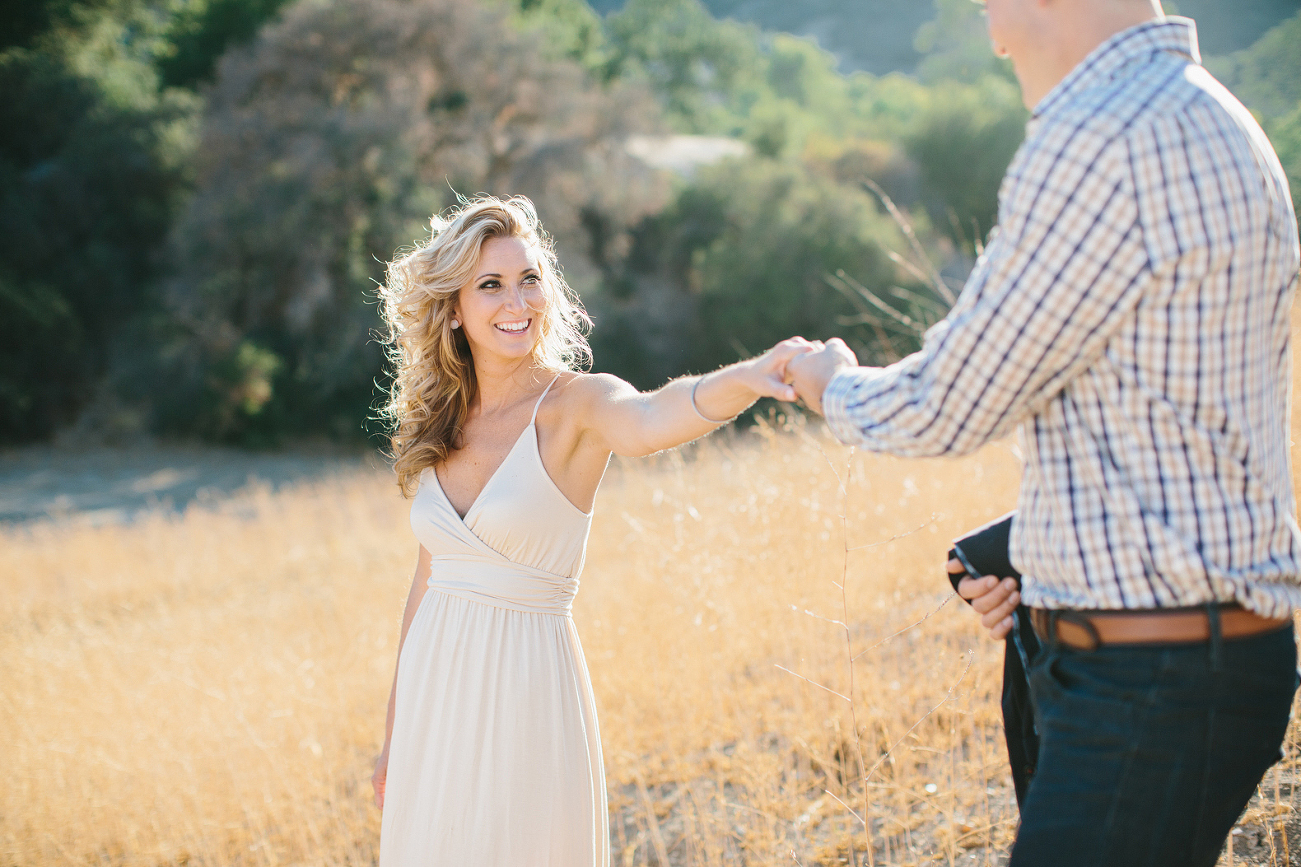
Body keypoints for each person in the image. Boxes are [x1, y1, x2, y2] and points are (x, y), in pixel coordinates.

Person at [785, 1, 1301, 864]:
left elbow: (945, 404)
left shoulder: (1102, 138)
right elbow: (1178, 425)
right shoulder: (1208, 115)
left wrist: (831, 384)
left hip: (1146, 681)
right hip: (1194, 658)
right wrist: (1030, 553)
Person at [369, 194, 810, 865]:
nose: (516, 301)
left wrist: (747, 378)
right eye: (490, 285)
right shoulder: (442, 423)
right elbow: (426, 577)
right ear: (454, 309)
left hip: (525, 689)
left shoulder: (575, 404)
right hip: (433, 702)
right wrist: (395, 731)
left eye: (529, 279)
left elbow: (654, 417)